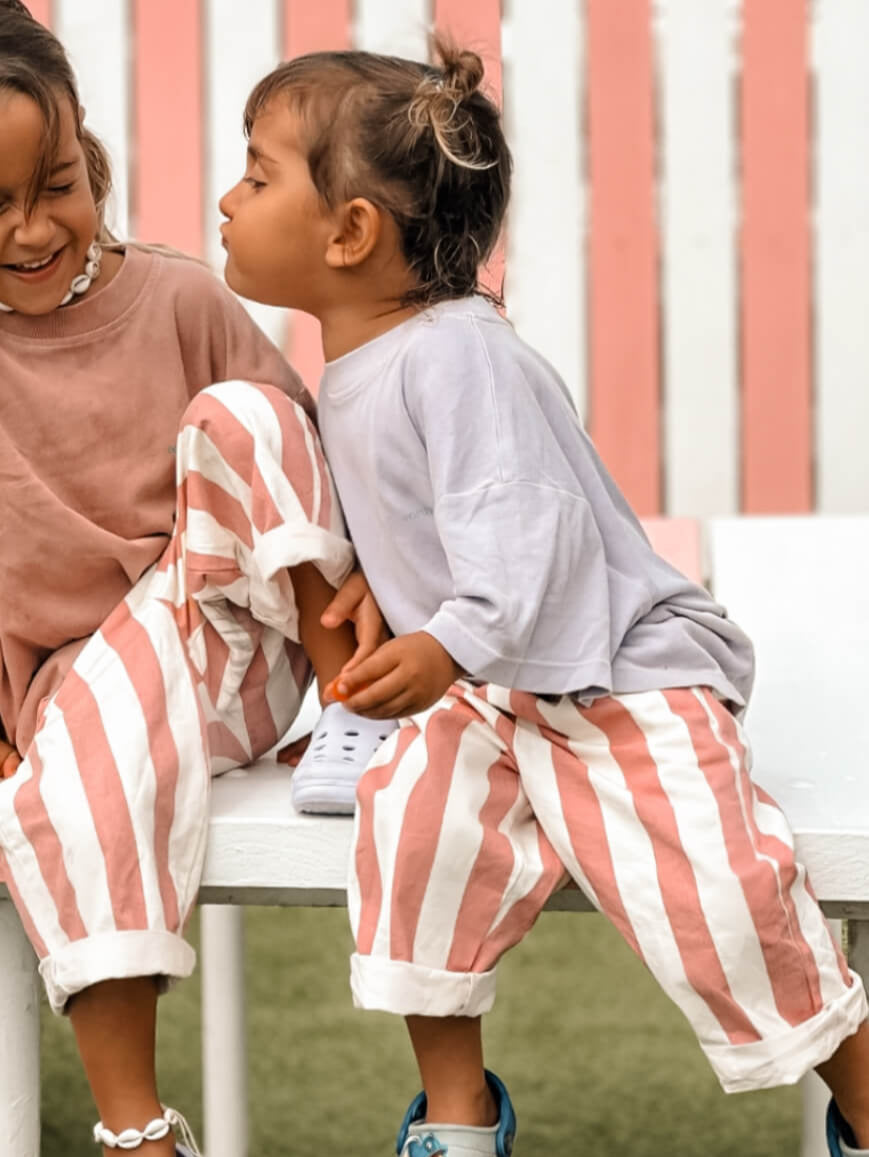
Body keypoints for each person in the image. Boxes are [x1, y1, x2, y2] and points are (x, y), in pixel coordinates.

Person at [218, 38, 869, 1157]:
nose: (228, 199)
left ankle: (862, 1094)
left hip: (614, 671)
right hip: (497, 688)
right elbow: (434, 510)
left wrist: (442, 643)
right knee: (412, 830)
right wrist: (390, 582)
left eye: (257, 172)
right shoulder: (368, 360)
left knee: (722, 896)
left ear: (349, 232)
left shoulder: (456, 354)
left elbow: (528, 535)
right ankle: (456, 1114)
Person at [0, 2, 393, 1151]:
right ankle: (139, 1132)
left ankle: (356, 709)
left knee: (246, 406)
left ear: (85, 147)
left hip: (246, 641)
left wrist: (364, 604)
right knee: (59, 788)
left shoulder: (181, 297)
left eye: (57, 183)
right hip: (96, 693)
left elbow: (302, 458)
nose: (37, 227)